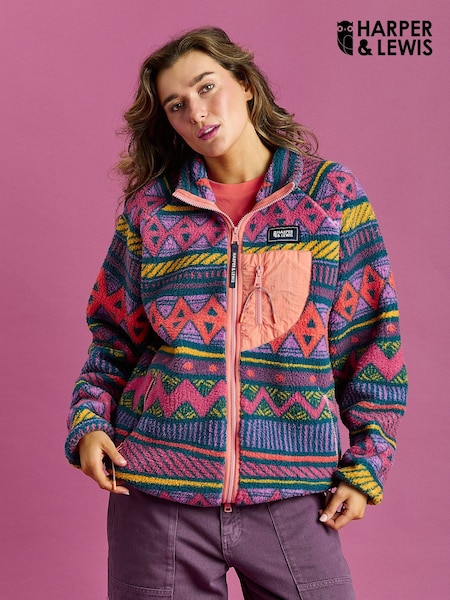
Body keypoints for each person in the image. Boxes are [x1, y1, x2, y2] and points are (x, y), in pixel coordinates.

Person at [65, 27, 407, 600]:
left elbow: (373, 340)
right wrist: (89, 421)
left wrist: (370, 460)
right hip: (157, 494)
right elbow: (113, 336)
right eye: (176, 104)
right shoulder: (151, 210)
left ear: (245, 84)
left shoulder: (329, 198)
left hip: (292, 494)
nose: (197, 112)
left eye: (207, 87)